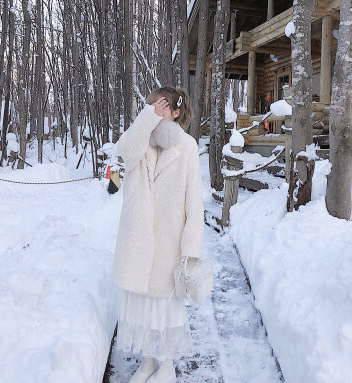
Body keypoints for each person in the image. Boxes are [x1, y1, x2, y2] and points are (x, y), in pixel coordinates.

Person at [111, 86, 205, 383]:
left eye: (161, 106)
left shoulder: (187, 146)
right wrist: (147, 119)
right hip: (140, 237)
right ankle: (147, 361)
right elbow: (124, 152)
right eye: (150, 105)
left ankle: (166, 363)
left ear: (176, 112)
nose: (154, 110)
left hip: (170, 239)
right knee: (144, 307)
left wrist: (191, 248)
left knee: (166, 307)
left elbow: (194, 199)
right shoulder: (140, 139)